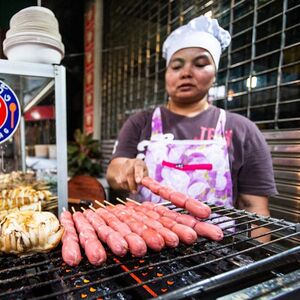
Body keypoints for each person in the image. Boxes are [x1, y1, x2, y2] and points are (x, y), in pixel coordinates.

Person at [106, 15, 277, 241]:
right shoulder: (141, 122)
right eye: (176, 66)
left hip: (218, 252)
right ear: (166, 75)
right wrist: (125, 168)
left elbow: (255, 209)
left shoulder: (242, 130)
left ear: (215, 72)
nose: (186, 72)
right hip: (147, 245)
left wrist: (257, 265)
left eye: (200, 63)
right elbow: (113, 171)